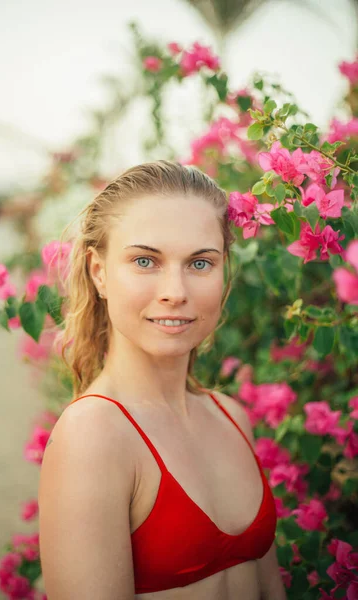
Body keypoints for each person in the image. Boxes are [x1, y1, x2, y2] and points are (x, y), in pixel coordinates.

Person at [38, 160, 286, 599]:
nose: (175, 290)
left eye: (200, 263)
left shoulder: (232, 417)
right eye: (145, 260)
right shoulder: (94, 435)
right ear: (99, 273)